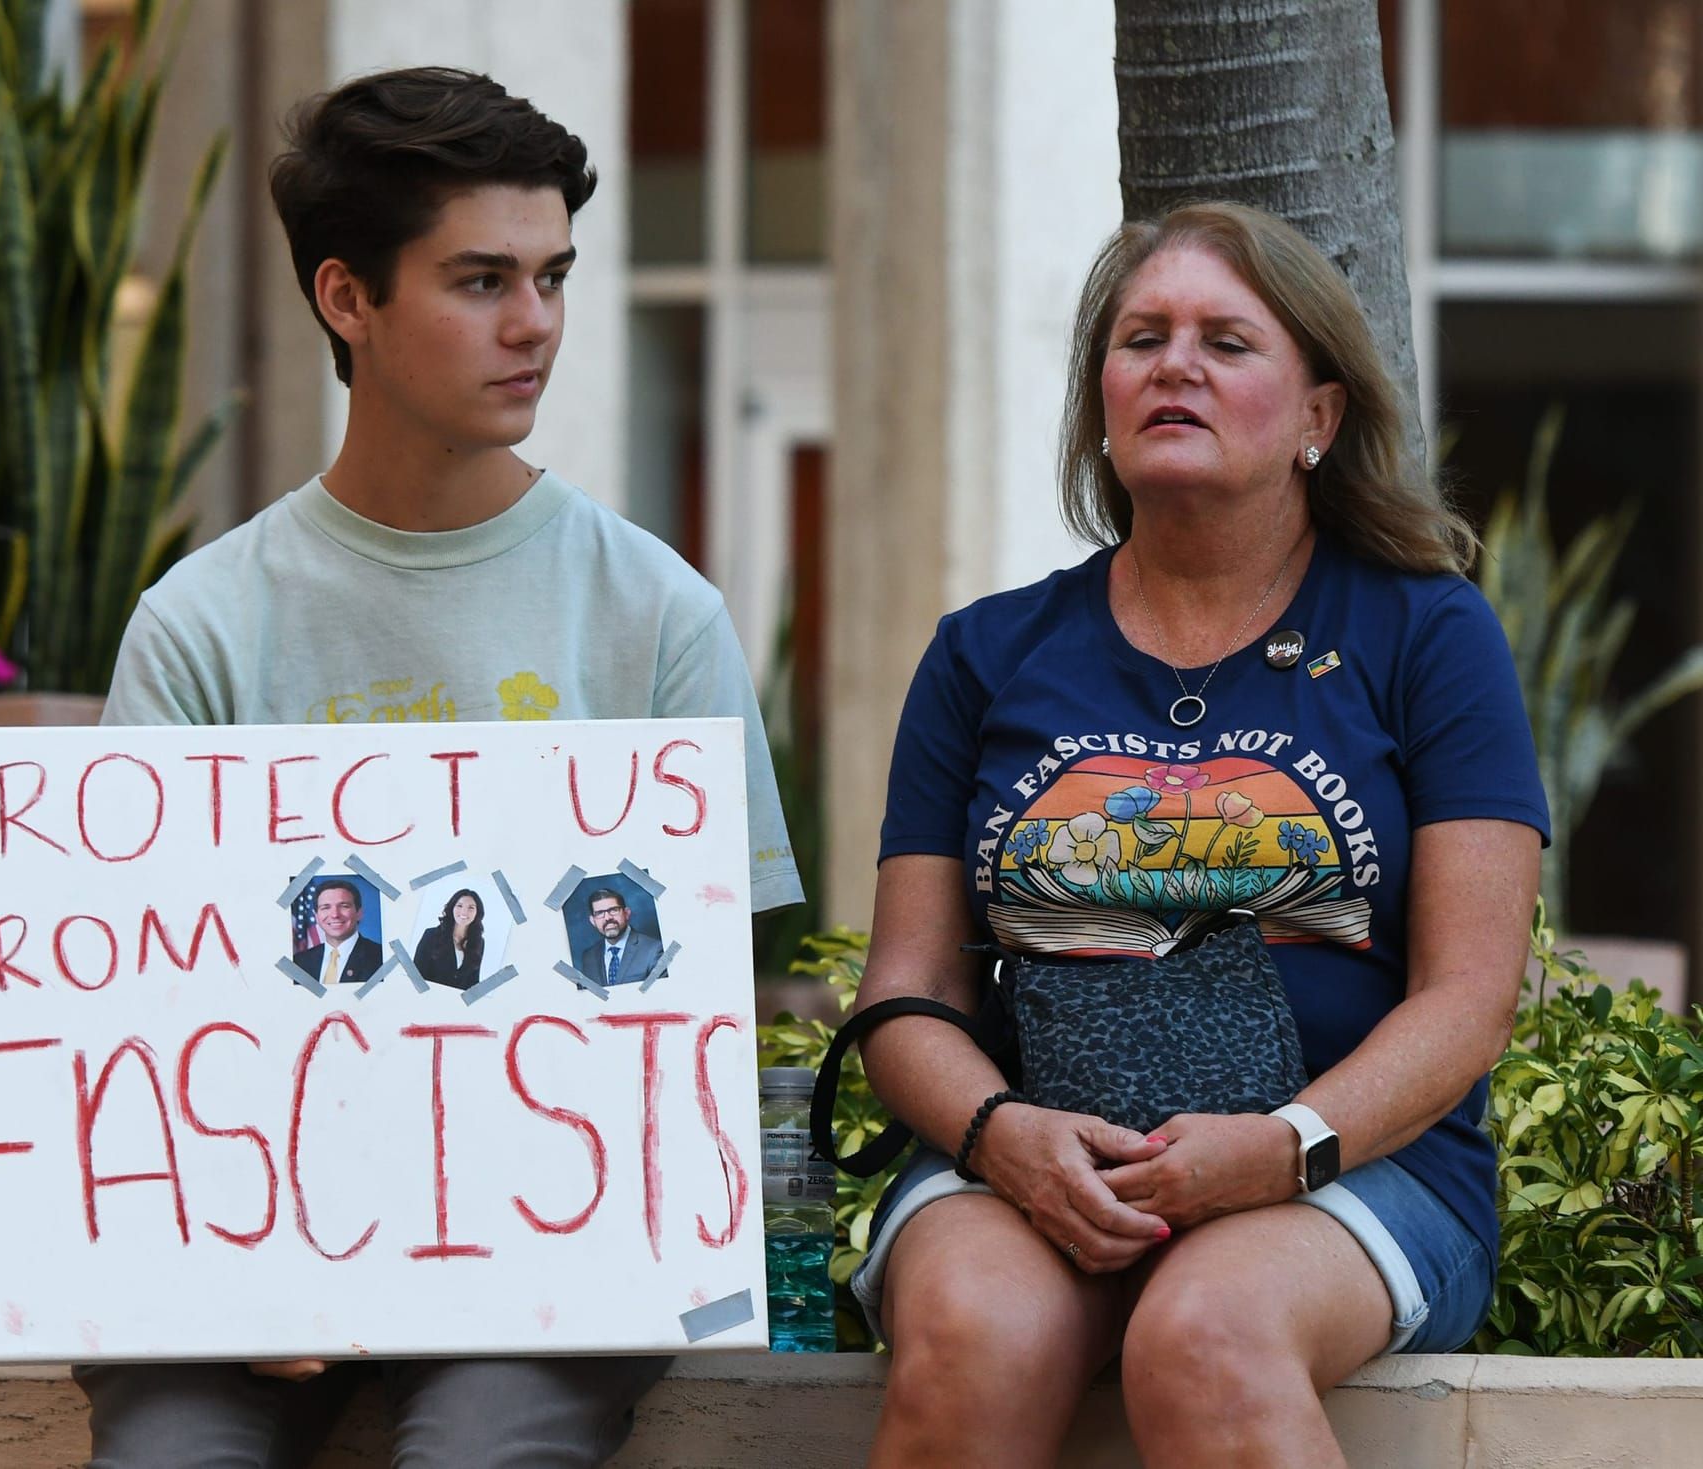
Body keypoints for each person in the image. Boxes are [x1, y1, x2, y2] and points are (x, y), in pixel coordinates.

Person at [80, 66, 801, 1469]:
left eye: (553, 276)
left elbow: (702, 1001)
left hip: (553, 1233)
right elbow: (134, 998)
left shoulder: (658, 614)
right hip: (241, 1218)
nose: (535, 324)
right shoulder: (204, 623)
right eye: (481, 280)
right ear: (346, 299)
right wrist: (237, 1262)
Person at [854, 201, 1546, 1469]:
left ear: (1317, 420)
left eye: (1226, 341)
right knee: (968, 1330)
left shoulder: (1425, 633)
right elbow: (907, 988)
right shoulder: (984, 652)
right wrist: (1000, 1132)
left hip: (1354, 1167)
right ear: (1101, 403)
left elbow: (1469, 998)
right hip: (1029, 1156)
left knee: (1207, 1334)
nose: (1174, 364)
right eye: (1141, 338)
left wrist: (1286, 1146)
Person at [292, 879, 382, 987]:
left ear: (359, 913)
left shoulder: (380, 958)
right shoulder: (299, 962)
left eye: (344, 906)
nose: (335, 914)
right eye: (325, 907)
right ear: (316, 916)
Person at [575, 887, 664, 986]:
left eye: (613, 910)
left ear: (626, 913)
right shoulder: (588, 956)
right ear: (593, 921)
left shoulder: (654, 950)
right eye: (600, 913)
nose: (608, 918)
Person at [414, 887, 486, 989]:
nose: (464, 912)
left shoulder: (479, 942)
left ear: (477, 913)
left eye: (471, 908)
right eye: (459, 906)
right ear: (452, 908)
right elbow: (417, 975)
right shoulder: (431, 935)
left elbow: (473, 982)